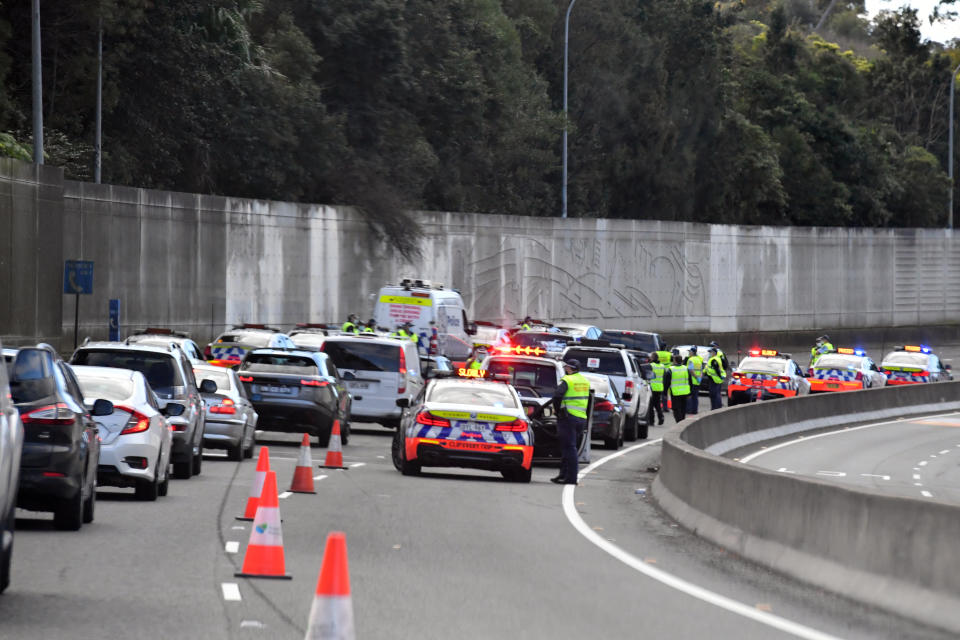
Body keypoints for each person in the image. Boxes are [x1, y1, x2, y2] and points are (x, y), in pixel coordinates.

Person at [551, 359, 590, 485]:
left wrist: (557, 411)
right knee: (568, 447)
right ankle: (563, 475)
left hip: (568, 418)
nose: (565, 368)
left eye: (566, 367)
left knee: (569, 448)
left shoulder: (568, 380)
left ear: (569, 368)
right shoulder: (584, 381)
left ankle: (571, 478)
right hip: (581, 418)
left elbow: (557, 396)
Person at [662, 353, 691, 423]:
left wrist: (664, 393)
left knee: (676, 409)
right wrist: (690, 392)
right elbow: (690, 381)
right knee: (683, 409)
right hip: (685, 392)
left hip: (675, 393)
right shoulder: (686, 368)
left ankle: (679, 422)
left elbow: (666, 383)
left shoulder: (671, 370)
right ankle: (682, 421)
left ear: (675, 361)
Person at [705, 346, 725, 410]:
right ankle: (716, 407)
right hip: (715, 379)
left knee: (714, 395)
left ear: (714, 353)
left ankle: (715, 408)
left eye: (710, 352)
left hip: (714, 380)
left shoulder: (714, 360)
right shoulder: (714, 358)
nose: (709, 354)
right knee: (716, 394)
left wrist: (719, 377)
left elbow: (717, 370)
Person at [648, 352, 666, 426]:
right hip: (659, 387)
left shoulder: (651, 365)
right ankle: (661, 417)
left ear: (653, 358)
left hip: (652, 387)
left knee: (651, 405)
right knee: (657, 404)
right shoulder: (662, 366)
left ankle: (651, 420)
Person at [686, 347, 703, 415]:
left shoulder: (691, 359)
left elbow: (690, 370)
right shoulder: (698, 360)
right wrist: (699, 378)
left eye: (689, 352)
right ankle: (695, 410)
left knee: (690, 396)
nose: (688, 353)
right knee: (695, 397)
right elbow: (701, 370)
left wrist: (696, 377)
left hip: (692, 380)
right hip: (697, 381)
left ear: (692, 352)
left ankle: (690, 410)